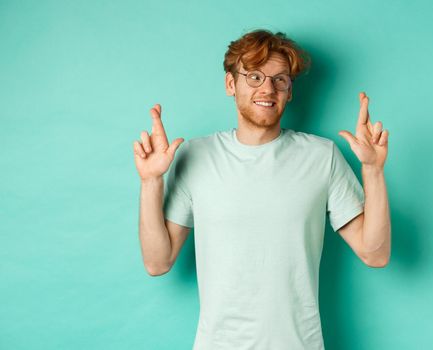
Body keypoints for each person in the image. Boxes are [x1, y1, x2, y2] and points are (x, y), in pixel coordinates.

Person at [133, 29, 391, 350]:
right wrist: (150, 181)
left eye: (280, 79)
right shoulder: (196, 156)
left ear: (290, 91)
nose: (268, 88)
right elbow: (157, 262)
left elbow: (375, 253)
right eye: (254, 76)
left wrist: (373, 170)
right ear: (231, 84)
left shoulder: (321, 156)